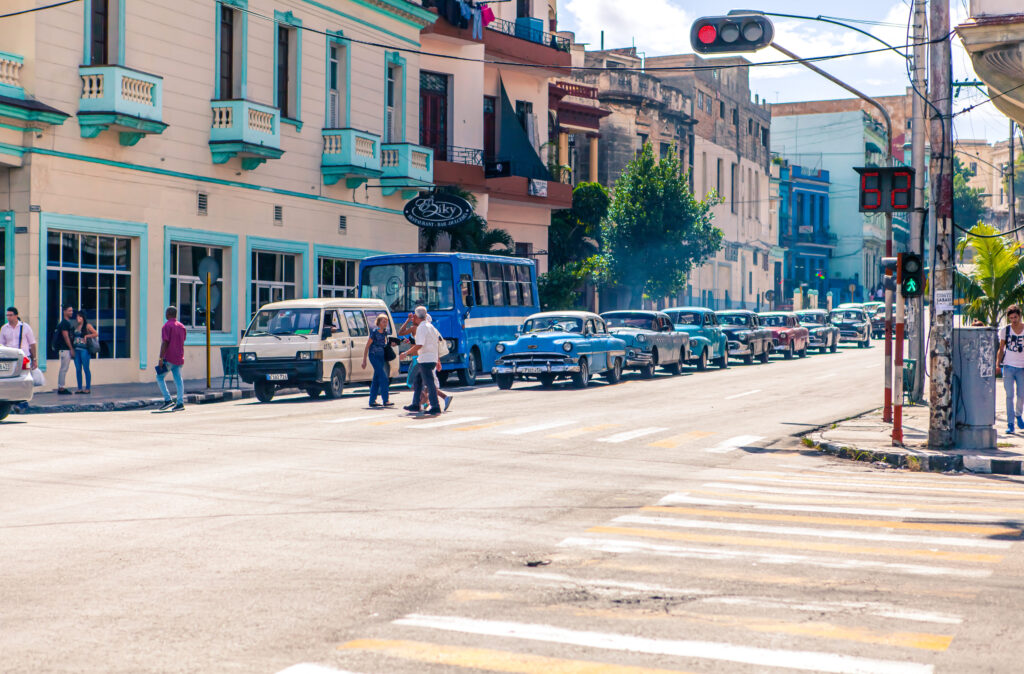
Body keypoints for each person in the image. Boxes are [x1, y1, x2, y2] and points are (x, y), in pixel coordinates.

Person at [402, 306, 442, 415]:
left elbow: (419, 344)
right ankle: (415, 404)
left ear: (415, 316)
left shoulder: (421, 327)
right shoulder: (431, 327)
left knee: (429, 382)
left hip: (425, 358)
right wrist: (437, 360)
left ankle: (435, 406)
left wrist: (405, 353)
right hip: (430, 358)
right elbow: (436, 343)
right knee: (418, 380)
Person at [997, 304, 1024, 434]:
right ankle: (1010, 423)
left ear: (1020, 316)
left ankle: (1018, 415)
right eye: (1011, 318)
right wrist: (998, 364)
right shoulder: (1005, 330)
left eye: (1016, 317)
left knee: (1021, 395)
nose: (1014, 320)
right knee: (1009, 396)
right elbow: (1001, 349)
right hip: (1008, 366)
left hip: (1022, 368)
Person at [157, 306, 187, 412]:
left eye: (166, 312)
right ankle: (180, 403)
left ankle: (167, 399)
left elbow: (165, 342)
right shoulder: (182, 326)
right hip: (179, 357)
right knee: (178, 380)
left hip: (169, 357)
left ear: (169, 314)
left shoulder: (166, 326)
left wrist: (161, 358)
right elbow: (183, 340)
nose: (165, 314)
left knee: (160, 377)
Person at [362, 314, 394, 408]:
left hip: (381, 356)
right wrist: (364, 360)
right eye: (384, 321)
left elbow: (383, 345)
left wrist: (392, 344)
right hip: (374, 356)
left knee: (376, 379)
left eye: (386, 321)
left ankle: (372, 401)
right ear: (379, 322)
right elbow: (367, 346)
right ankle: (386, 400)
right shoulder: (374, 332)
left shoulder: (385, 332)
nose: (385, 323)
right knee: (383, 378)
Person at [1, 307, 37, 372]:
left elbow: (32, 343)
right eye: (7, 315)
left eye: (10, 315)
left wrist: (34, 359)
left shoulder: (25, 327)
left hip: (24, 357)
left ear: (16, 316)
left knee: (26, 374)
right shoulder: (4, 328)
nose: (8, 317)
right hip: (9, 357)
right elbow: (2, 344)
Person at [72, 309, 98, 394]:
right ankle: (79, 388)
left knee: (86, 368)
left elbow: (96, 333)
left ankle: (87, 388)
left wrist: (87, 336)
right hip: (77, 350)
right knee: (78, 369)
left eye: (79, 316)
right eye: (77, 316)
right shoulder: (76, 326)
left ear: (83, 317)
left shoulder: (87, 325)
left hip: (84, 350)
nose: (77, 318)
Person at [54, 304, 75, 394]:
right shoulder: (65, 323)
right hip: (65, 349)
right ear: (64, 312)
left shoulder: (64, 323)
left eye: (72, 311)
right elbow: (66, 336)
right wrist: (71, 349)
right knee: (64, 368)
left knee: (63, 368)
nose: (71, 312)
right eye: (69, 311)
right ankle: (61, 387)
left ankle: (61, 386)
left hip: (64, 349)